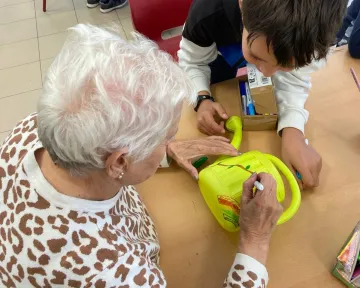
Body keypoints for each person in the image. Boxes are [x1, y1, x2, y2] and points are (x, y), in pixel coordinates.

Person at [0, 24, 283, 287]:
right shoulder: (114, 271)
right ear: (120, 162)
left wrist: (164, 150)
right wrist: (254, 241)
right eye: (167, 137)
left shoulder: (37, 128)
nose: (173, 141)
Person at [178, 0, 348, 189]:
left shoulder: (319, 34)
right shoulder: (208, 11)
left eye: (287, 65)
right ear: (242, 6)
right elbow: (193, 62)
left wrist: (293, 129)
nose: (266, 74)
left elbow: (295, 79)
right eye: (256, 57)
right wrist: (202, 98)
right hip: (216, 53)